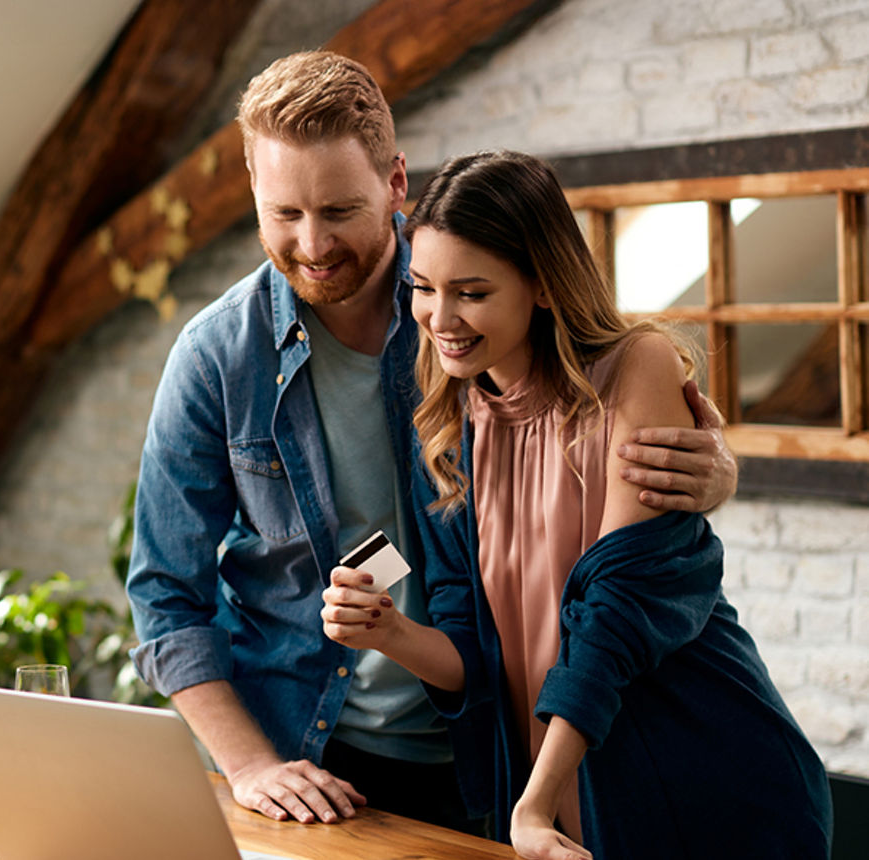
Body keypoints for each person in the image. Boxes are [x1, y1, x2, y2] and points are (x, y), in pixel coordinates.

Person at [126, 52, 738, 830]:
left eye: (339, 210)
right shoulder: (217, 356)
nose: (313, 244)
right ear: (252, 189)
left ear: (395, 182)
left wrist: (713, 469)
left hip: (495, 739)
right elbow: (165, 595)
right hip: (307, 755)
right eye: (284, 213)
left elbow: (591, 402)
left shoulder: (469, 305)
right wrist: (249, 765)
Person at [321, 149, 832, 859]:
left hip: (706, 784)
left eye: (472, 292)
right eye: (423, 287)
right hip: (554, 807)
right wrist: (388, 633)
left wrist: (533, 804)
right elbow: (476, 652)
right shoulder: (443, 427)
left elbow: (617, 614)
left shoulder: (635, 368)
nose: (440, 317)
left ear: (543, 284)